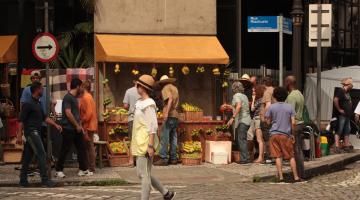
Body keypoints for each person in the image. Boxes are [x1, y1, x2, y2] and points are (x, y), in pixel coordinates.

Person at [131, 74, 176, 200]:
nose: (136, 86)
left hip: (145, 142)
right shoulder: (140, 102)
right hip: (139, 141)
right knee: (144, 173)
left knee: (143, 174)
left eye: (137, 85)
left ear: (142, 88)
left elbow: (152, 126)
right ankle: (166, 193)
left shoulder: (149, 104)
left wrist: (150, 145)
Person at [17, 82, 63, 187]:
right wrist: (19, 134)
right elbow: (21, 120)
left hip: (35, 132)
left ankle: (23, 180)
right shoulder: (28, 104)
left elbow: (45, 118)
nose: (43, 91)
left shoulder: (37, 103)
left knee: (27, 157)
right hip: (32, 132)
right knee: (42, 154)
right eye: (42, 89)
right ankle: (45, 180)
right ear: (37, 90)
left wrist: (55, 125)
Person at [265, 87, 302, 182]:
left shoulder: (271, 107)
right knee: (291, 156)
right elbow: (293, 123)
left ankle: (281, 177)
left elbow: (268, 122)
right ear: (286, 96)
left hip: (274, 135)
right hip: (286, 135)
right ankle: (296, 177)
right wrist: (292, 134)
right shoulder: (289, 107)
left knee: (278, 156)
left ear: (275, 96)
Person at [55, 78, 90, 178]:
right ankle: (58, 170)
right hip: (69, 128)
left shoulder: (74, 98)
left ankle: (83, 169)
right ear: (78, 86)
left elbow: (75, 114)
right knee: (65, 149)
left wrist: (80, 126)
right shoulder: (68, 97)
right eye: (81, 87)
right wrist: (77, 125)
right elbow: (68, 113)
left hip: (76, 128)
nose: (82, 89)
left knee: (81, 148)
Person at [154, 75, 179, 166]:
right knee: (173, 137)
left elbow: (170, 99)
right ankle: (173, 158)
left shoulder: (165, 88)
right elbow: (173, 99)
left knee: (164, 137)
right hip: (176, 115)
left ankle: (163, 158)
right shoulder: (174, 88)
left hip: (170, 115)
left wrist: (166, 113)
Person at [285, 75, 305, 178]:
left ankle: (299, 174)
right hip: (300, 123)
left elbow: (290, 113)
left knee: (296, 150)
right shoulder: (300, 94)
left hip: (295, 124)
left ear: (289, 83)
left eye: (285, 82)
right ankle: (301, 172)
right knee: (298, 149)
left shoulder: (292, 96)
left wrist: (290, 130)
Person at [226, 82, 252, 164]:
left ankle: (244, 159)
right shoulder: (244, 96)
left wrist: (232, 118)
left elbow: (239, 106)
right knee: (241, 139)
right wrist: (231, 106)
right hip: (247, 119)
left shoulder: (236, 95)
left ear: (234, 88)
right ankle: (245, 157)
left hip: (242, 120)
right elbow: (242, 106)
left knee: (241, 139)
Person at [79, 80, 98, 173]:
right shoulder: (89, 97)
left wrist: (82, 120)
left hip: (88, 125)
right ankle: (90, 167)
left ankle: (91, 167)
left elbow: (89, 113)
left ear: (83, 87)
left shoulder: (85, 97)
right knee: (89, 146)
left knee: (89, 147)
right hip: (90, 124)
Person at [333, 77, 353, 153]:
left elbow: (348, 101)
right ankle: (337, 146)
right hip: (342, 115)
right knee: (339, 129)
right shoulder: (340, 91)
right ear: (348, 84)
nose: (352, 86)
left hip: (347, 115)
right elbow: (335, 100)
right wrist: (339, 109)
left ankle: (346, 145)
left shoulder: (347, 92)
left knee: (347, 130)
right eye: (351, 84)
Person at [123, 82, 141, 166]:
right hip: (141, 119)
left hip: (132, 118)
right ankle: (139, 160)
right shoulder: (143, 92)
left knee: (132, 140)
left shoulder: (128, 91)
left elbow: (125, 105)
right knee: (140, 139)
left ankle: (131, 161)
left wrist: (130, 107)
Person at [247, 84, 266, 163]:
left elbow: (252, 109)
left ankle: (261, 157)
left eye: (254, 91)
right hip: (256, 119)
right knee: (255, 137)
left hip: (258, 119)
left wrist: (253, 98)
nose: (253, 92)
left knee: (259, 139)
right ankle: (258, 156)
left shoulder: (260, 100)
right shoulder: (261, 99)